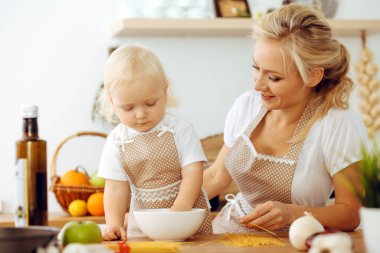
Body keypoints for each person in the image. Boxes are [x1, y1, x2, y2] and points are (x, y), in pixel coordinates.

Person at [203, 4, 368, 234]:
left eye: (274, 77)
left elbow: (351, 213)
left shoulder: (336, 122)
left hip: (297, 239)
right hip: (229, 232)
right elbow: (216, 176)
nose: (257, 85)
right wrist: (156, 210)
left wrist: (292, 213)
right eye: (256, 67)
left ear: (312, 75)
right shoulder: (247, 105)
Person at [97, 45, 213, 240]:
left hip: (187, 221)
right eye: (128, 107)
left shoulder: (180, 130)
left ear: (165, 92)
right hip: (143, 225)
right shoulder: (116, 141)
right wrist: (114, 224)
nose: (141, 114)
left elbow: (193, 172)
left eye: (151, 104)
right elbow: (116, 188)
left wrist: (181, 208)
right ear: (111, 101)